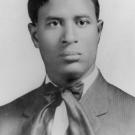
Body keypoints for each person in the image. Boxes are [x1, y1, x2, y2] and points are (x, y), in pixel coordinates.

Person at [0, 0, 135, 134]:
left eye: (82, 22)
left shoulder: (131, 115)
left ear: (98, 31)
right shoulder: (3, 120)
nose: (69, 37)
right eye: (54, 23)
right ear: (35, 36)